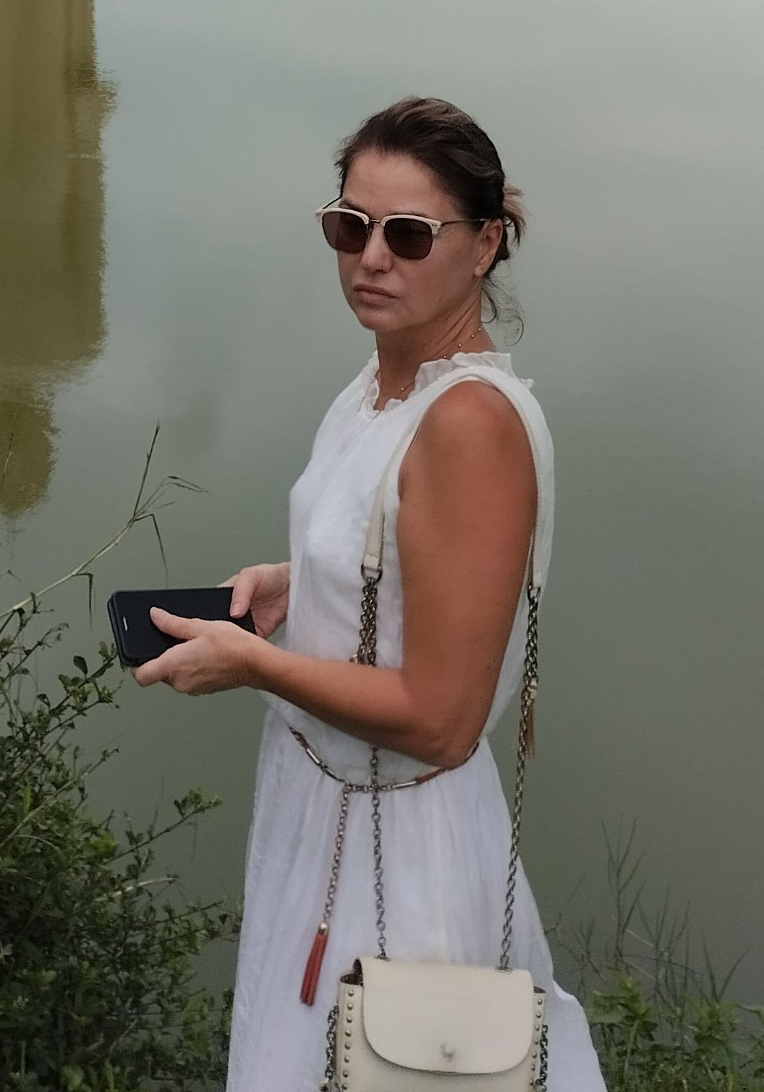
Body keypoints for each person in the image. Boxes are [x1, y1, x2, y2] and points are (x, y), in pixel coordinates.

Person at [135, 96, 606, 1092]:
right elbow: (393, 557)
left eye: (406, 233)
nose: (369, 257)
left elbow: (439, 719)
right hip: (326, 808)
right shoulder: (384, 383)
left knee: (392, 1063)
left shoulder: (467, 422)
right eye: (348, 226)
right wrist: (286, 581)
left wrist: (253, 661)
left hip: (402, 844)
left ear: (482, 245)